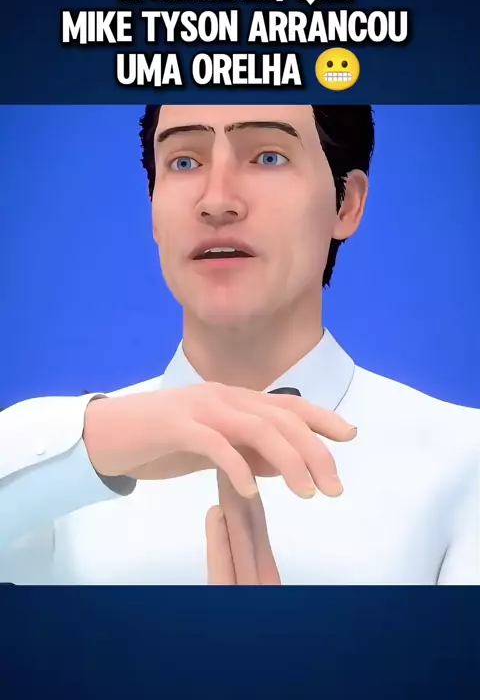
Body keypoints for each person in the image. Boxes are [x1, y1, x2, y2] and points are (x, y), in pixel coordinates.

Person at [0, 104, 478, 585]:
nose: (216, 201)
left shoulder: (464, 461)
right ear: (154, 209)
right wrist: (92, 442)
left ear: (346, 204)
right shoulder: (58, 488)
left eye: (269, 157)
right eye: (184, 162)